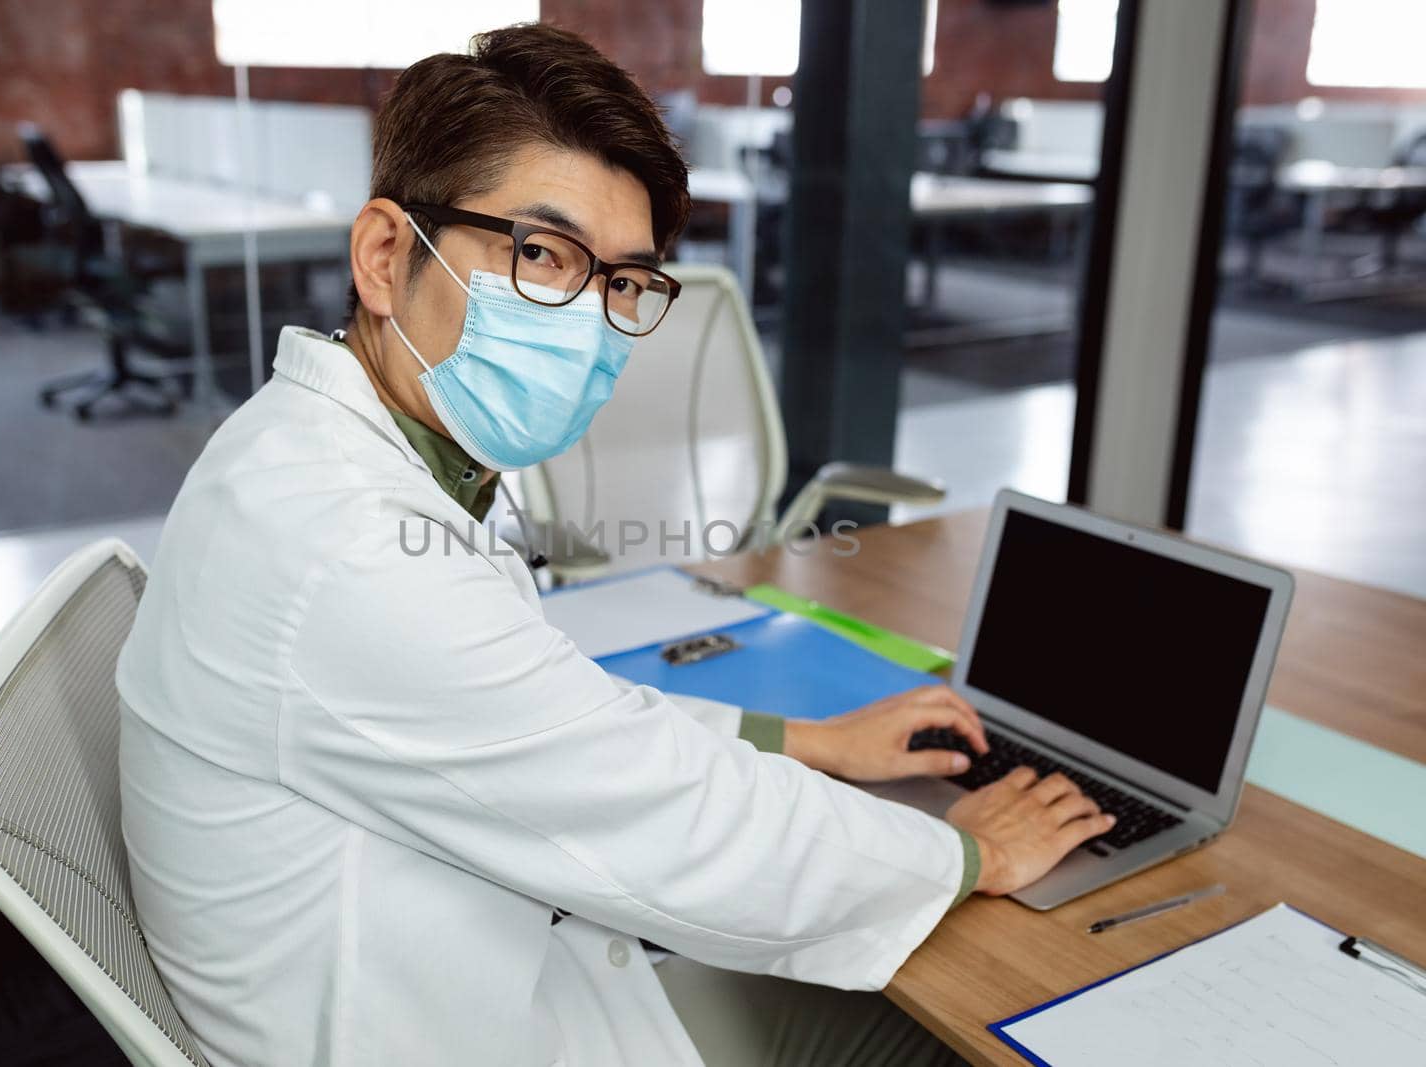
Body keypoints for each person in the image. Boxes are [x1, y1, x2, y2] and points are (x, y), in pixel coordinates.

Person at [116, 23, 1114, 1067]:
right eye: (541, 255)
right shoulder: (346, 549)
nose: (591, 322)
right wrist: (967, 850)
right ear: (383, 255)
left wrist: (807, 742)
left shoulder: (321, 451)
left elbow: (565, 725)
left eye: (623, 282)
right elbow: (681, 825)